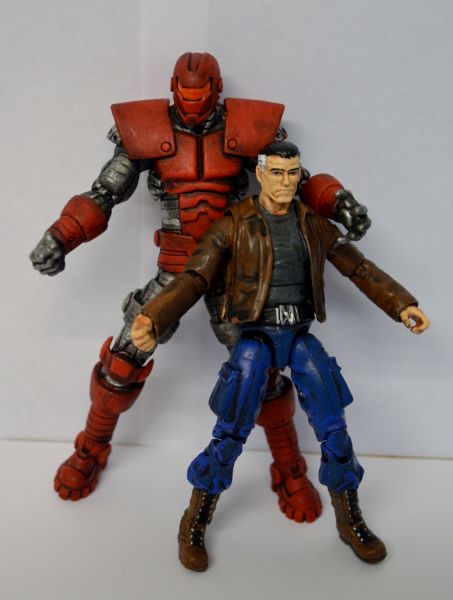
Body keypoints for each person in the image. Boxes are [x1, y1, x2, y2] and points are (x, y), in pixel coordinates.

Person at [30, 52, 370, 519]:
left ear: (217, 88)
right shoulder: (145, 130)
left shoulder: (248, 129)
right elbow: (105, 193)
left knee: (265, 377)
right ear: (173, 88)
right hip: (176, 270)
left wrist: (340, 202)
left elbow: (295, 181)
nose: (193, 101)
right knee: (121, 361)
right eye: (185, 92)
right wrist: (60, 237)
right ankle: (90, 448)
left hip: (235, 272)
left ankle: (289, 467)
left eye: (201, 91)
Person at [131, 140, 430, 571]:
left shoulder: (313, 224)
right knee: (229, 435)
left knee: (335, 430)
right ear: (260, 173)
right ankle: (194, 522)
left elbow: (359, 268)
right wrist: (153, 318)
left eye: (293, 173)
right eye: (277, 172)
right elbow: (195, 277)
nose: (286, 181)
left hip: (300, 338)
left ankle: (350, 520)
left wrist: (402, 305)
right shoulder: (234, 224)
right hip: (255, 340)